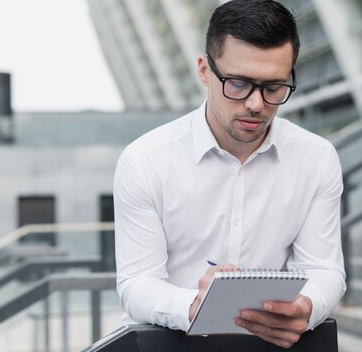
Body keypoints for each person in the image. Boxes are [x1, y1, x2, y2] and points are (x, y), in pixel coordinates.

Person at [113, 0, 346, 348]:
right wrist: (194, 304)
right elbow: (136, 283)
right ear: (205, 71)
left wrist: (306, 306)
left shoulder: (317, 158)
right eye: (238, 84)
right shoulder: (145, 160)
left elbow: (325, 270)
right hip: (167, 343)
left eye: (273, 87)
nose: (256, 104)